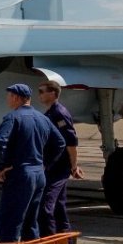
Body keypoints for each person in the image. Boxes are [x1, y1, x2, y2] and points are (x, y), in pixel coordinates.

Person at [0, 82, 53, 244]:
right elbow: (59, 143)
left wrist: (1, 167)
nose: (7, 99)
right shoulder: (42, 118)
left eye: (9, 96)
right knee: (31, 223)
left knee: (10, 222)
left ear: (16, 98)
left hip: (21, 175)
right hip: (39, 175)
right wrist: (45, 163)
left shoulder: (13, 117)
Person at [37, 76, 83, 234]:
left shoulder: (59, 113)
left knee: (45, 208)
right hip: (53, 166)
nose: (39, 94)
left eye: (42, 91)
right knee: (59, 209)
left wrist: (74, 166)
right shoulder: (50, 112)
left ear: (53, 93)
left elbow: (70, 142)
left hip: (57, 168)